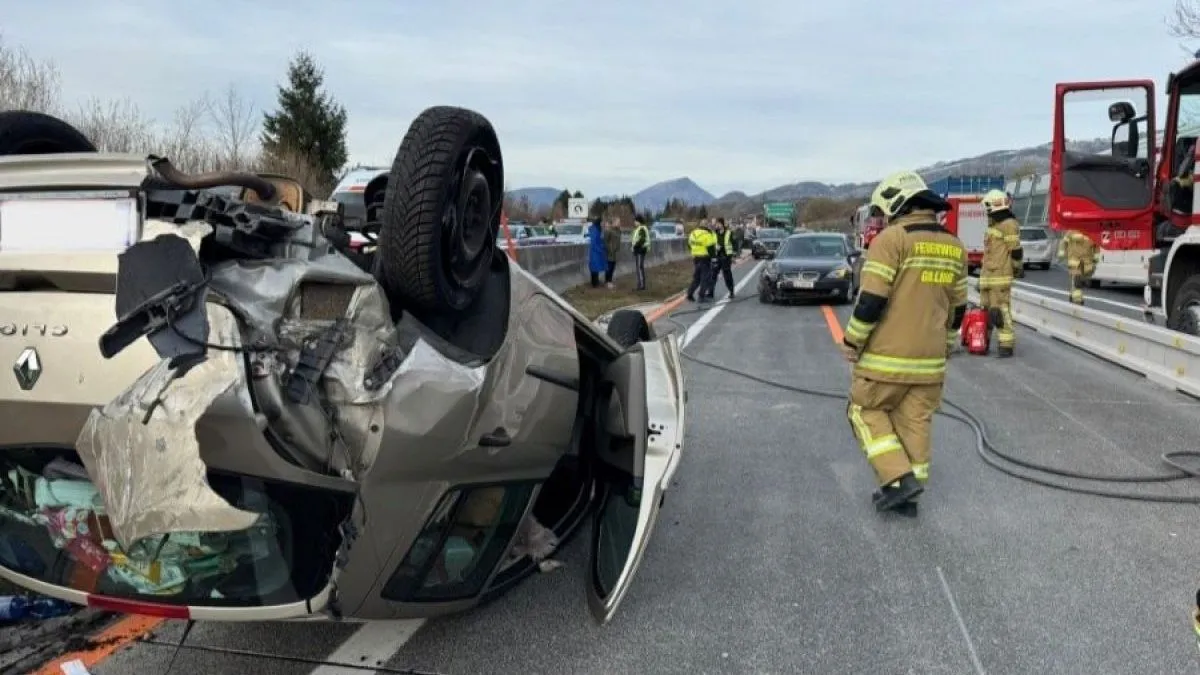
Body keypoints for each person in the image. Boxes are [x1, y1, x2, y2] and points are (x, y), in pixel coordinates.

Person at [841, 170, 968, 516]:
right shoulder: (954, 245)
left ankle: (897, 478)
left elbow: (871, 301)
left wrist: (852, 341)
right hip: (931, 363)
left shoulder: (892, 240)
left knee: (862, 411)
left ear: (897, 203)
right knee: (915, 422)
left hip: (886, 359)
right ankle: (907, 500)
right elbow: (959, 307)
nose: (884, 219)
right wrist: (948, 344)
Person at [979, 189, 1024, 357]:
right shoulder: (994, 225)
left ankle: (1006, 345)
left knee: (1000, 310)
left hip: (1000, 277)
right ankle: (981, 343)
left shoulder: (1009, 224)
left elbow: (1016, 251)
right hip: (989, 277)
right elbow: (989, 253)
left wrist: (1017, 267)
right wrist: (982, 280)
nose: (987, 210)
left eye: (988, 207)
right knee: (986, 311)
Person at [1056, 229, 1100, 305]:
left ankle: (1073, 294)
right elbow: (1063, 243)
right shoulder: (1072, 232)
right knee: (1077, 281)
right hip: (1076, 261)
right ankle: (1077, 299)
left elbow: (1096, 246)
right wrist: (1062, 253)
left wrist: (1096, 258)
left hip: (1086, 262)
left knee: (1079, 279)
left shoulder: (1090, 232)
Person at [686, 220, 718, 302]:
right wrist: (714, 260)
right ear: (706, 226)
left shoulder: (693, 233)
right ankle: (701, 296)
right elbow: (711, 249)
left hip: (696, 258)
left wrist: (694, 251)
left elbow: (689, 244)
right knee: (705, 278)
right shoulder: (707, 235)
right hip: (705, 258)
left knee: (696, 278)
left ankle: (689, 294)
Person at [712, 217, 736, 298]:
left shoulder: (729, 233)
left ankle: (731, 291)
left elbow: (734, 244)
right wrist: (716, 247)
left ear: (722, 224)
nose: (717, 225)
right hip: (717, 256)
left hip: (726, 257)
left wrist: (733, 256)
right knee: (713, 274)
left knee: (727, 275)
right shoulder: (715, 233)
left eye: (718, 224)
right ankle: (710, 292)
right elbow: (713, 244)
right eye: (716, 224)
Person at [631, 216, 650, 291]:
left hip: (640, 250)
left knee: (639, 267)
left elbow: (642, 239)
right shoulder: (640, 229)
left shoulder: (641, 229)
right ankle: (640, 284)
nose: (634, 223)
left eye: (635, 221)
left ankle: (641, 285)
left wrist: (635, 246)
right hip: (640, 250)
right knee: (639, 267)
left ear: (638, 221)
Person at [587, 218, 607, 288]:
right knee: (595, 267)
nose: (603, 224)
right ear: (599, 223)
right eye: (602, 223)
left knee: (595, 267)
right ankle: (594, 283)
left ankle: (595, 282)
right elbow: (594, 243)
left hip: (596, 251)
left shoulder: (596, 229)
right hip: (595, 252)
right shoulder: (595, 230)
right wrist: (601, 249)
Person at [602, 219, 622, 288]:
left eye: (619, 222)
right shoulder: (609, 231)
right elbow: (605, 241)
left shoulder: (619, 231)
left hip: (615, 252)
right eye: (617, 222)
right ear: (613, 223)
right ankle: (607, 282)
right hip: (609, 252)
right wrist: (609, 249)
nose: (619, 223)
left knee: (613, 267)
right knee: (609, 267)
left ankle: (610, 281)